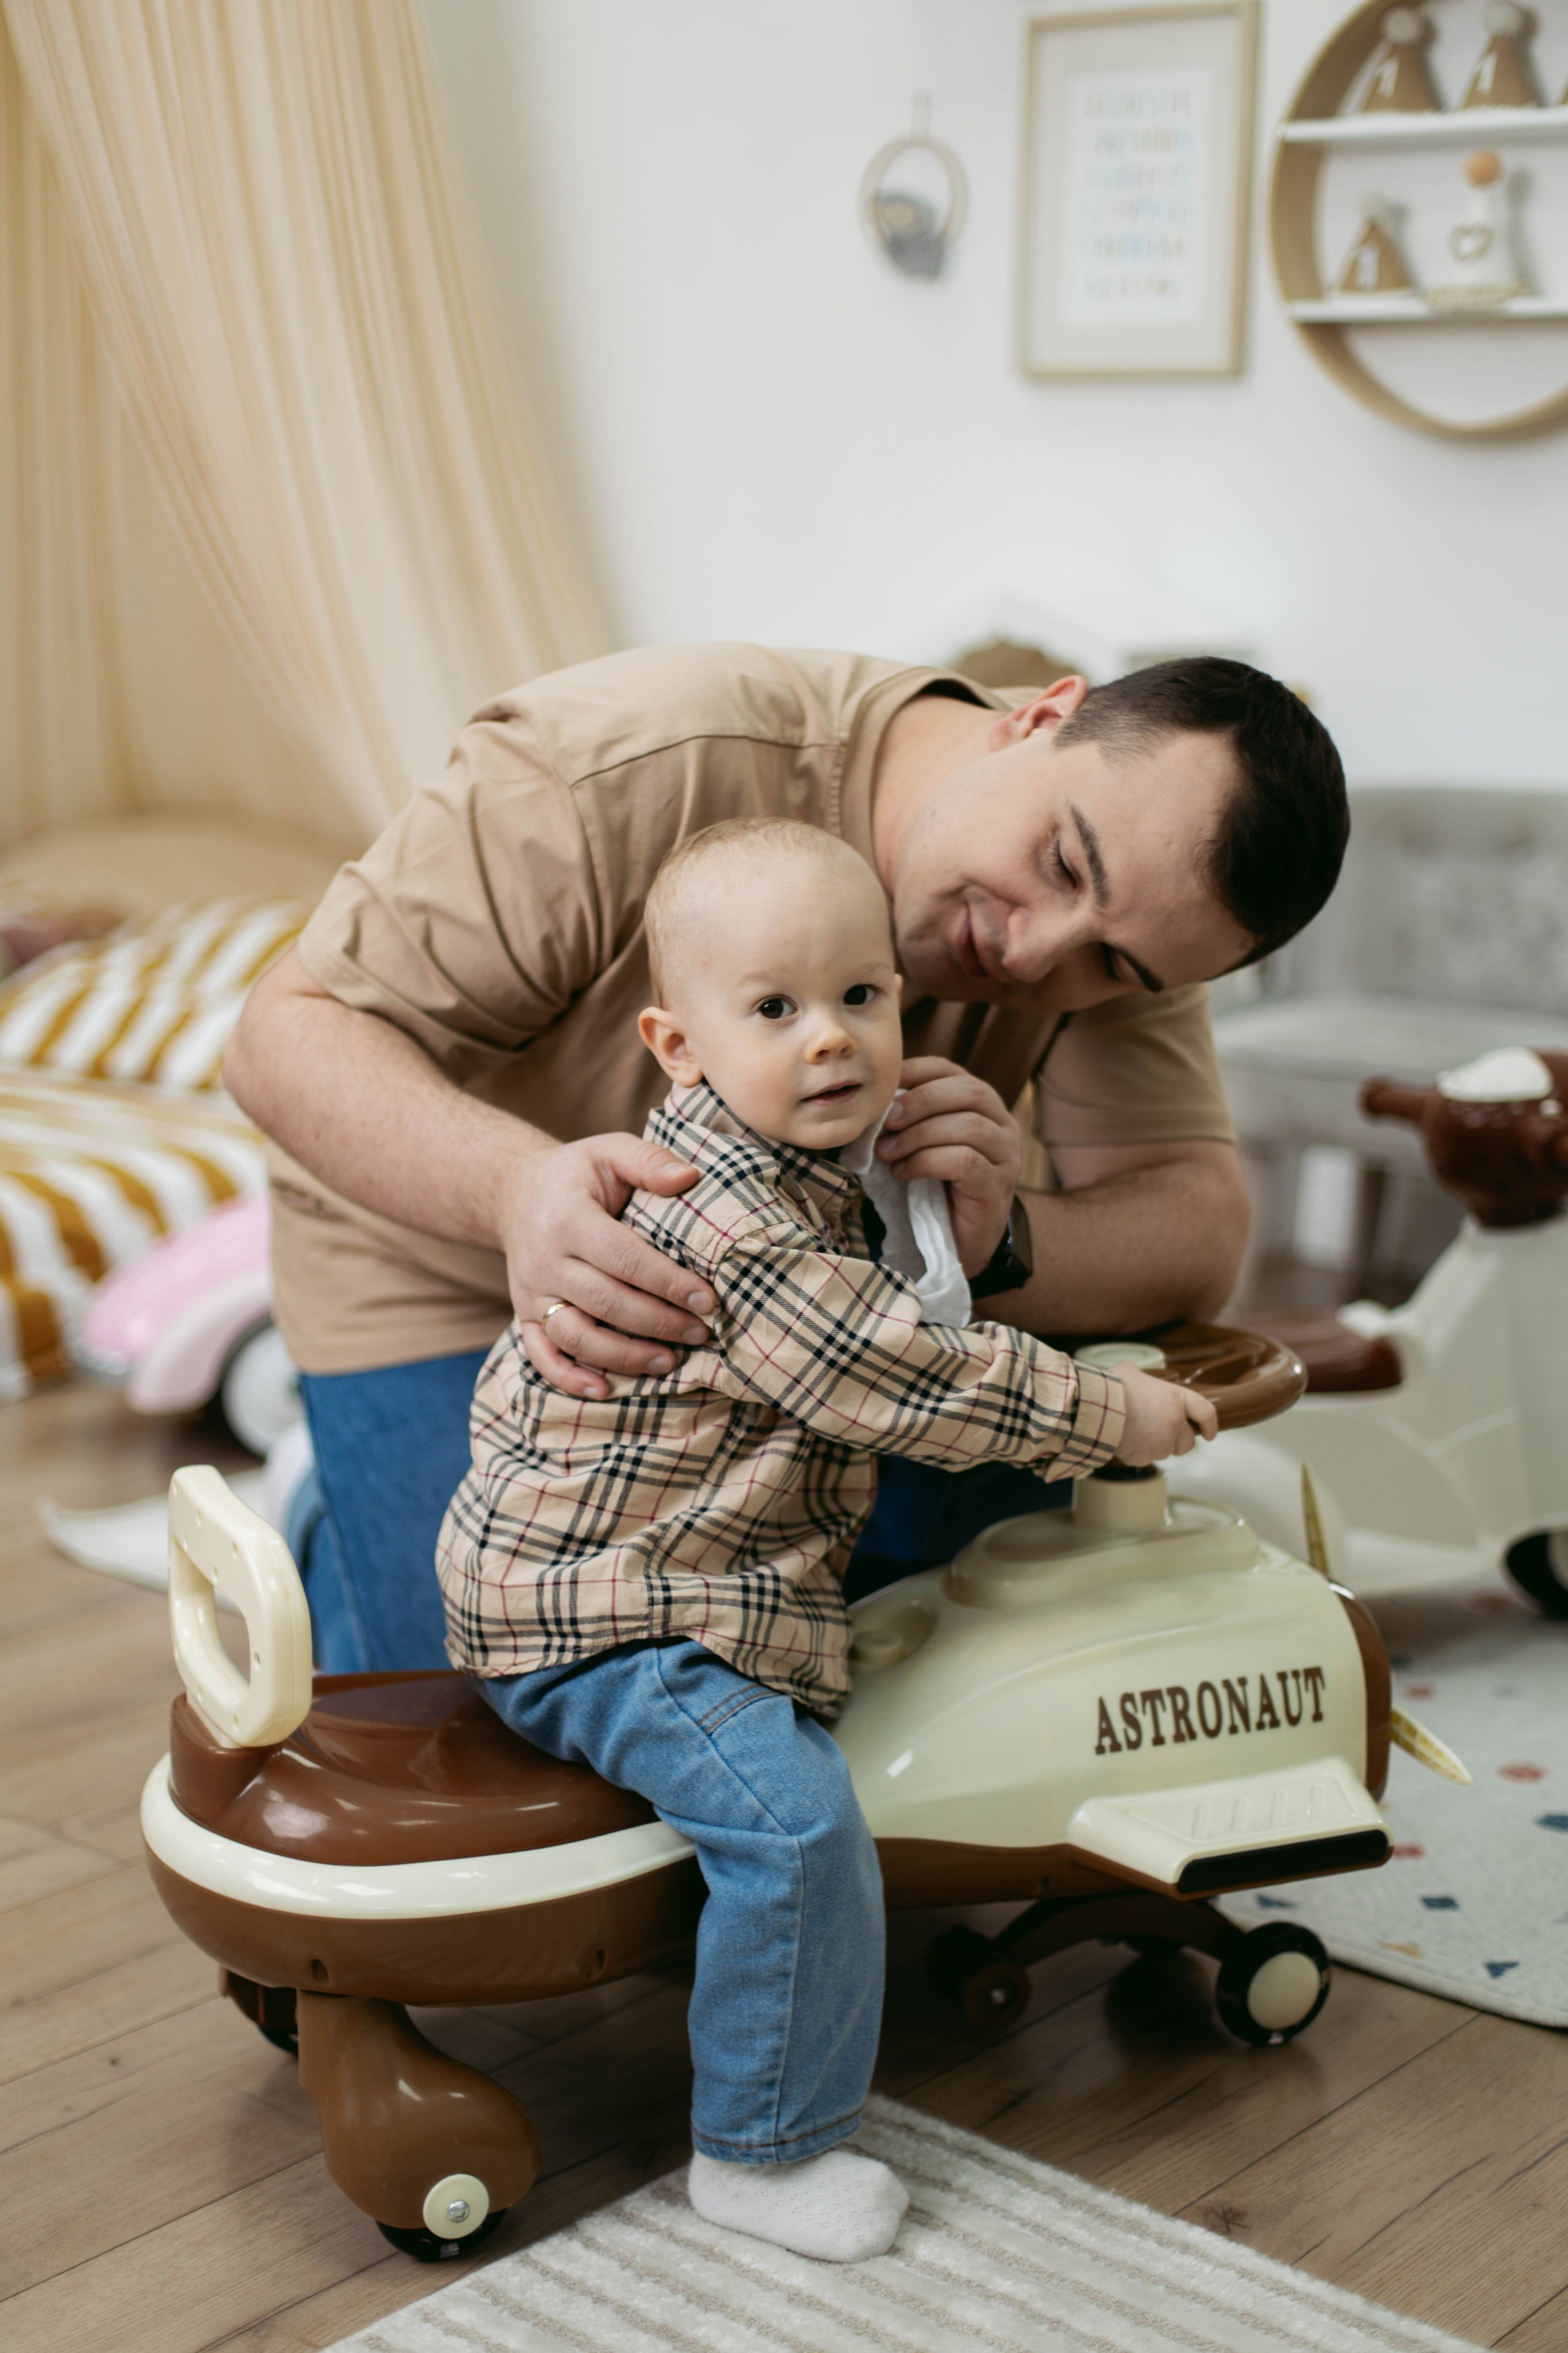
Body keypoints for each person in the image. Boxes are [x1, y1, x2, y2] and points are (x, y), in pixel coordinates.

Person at [224, 645, 1348, 1669]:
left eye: (1109, 964)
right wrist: (516, 1190)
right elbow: (282, 1034)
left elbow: (1199, 1229)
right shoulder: (618, 764)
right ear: (1035, 717)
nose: (1032, 951)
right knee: (531, 1697)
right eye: (1059, 862)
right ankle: (335, 1509)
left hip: (814, 1320)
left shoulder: (1148, 898)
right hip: (458, 1278)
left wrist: (998, 1236)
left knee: (930, 1657)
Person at [439, 817, 1216, 2263]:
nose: (832, 1042)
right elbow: (908, 1377)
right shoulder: (735, 1225)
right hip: (617, 1607)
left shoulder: (802, 1170)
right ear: (677, 1046)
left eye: (862, 997)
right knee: (796, 1829)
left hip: (655, 1566)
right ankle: (765, 2152)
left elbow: (911, 1309)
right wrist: (1107, 1412)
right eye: (776, 1010)